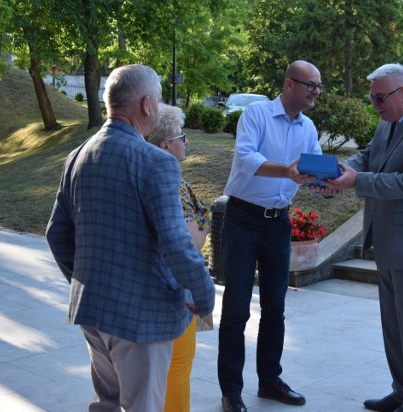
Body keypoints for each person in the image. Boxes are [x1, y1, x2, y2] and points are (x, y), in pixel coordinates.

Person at [45, 64, 215, 412]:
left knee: (108, 404)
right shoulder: (157, 162)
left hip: (93, 311)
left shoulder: (76, 157)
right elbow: (176, 242)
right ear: (147, 105)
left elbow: (56, 235)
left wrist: (86, 280)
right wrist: (205, 293)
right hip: (142, 320)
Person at [324, 63, 403, 412]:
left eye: (379, 98)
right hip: (388, 239)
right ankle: (402, 391)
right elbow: (368, 156)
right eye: (372, 98)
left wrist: (356, 182)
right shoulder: (389, 120)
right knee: (394, 328)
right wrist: (339, 172)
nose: (375, 105)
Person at [217, 60, 324, 412]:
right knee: (236, 310)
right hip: (243, 218)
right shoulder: (256, 114)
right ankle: (232, 391)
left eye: (318, 86)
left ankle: (269, 381)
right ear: (289, 83)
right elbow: (246, 157)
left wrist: (328, 185)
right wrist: (286, 171)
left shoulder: (308, 127)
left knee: (275, 307)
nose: (315, 92)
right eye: (310, 85)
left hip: (278, 222)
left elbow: (315, 168)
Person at [147, 103, 212, 412]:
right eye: (181, 136)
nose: (186, 141)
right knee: (177, 370)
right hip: (175, 294)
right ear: (164, 145)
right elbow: (190, 243)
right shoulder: (172, 184)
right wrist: (203, 227)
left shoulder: (141, 175)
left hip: (145, 295)